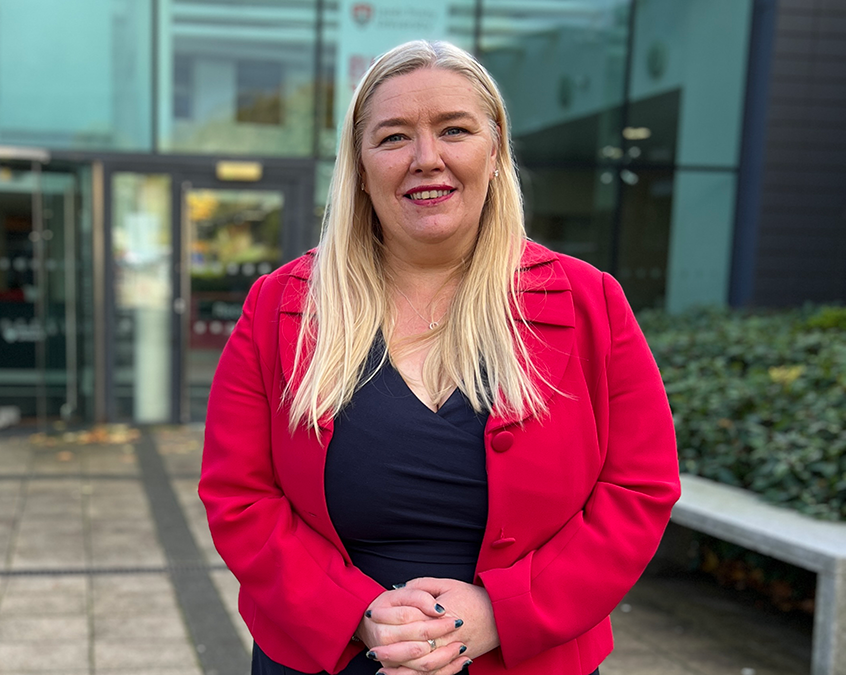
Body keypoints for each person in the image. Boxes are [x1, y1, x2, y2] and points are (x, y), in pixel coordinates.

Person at [198, 39, 681, 675]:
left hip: (529, 659)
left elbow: (638, 489)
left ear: (495, 150)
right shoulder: (278, 306)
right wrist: (356, 613)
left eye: (455, 130)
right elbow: (239, 495)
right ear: (360, 166)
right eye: (394, 137)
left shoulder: (592, 302)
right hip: (330, 658)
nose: (427, 159)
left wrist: (504, 612)